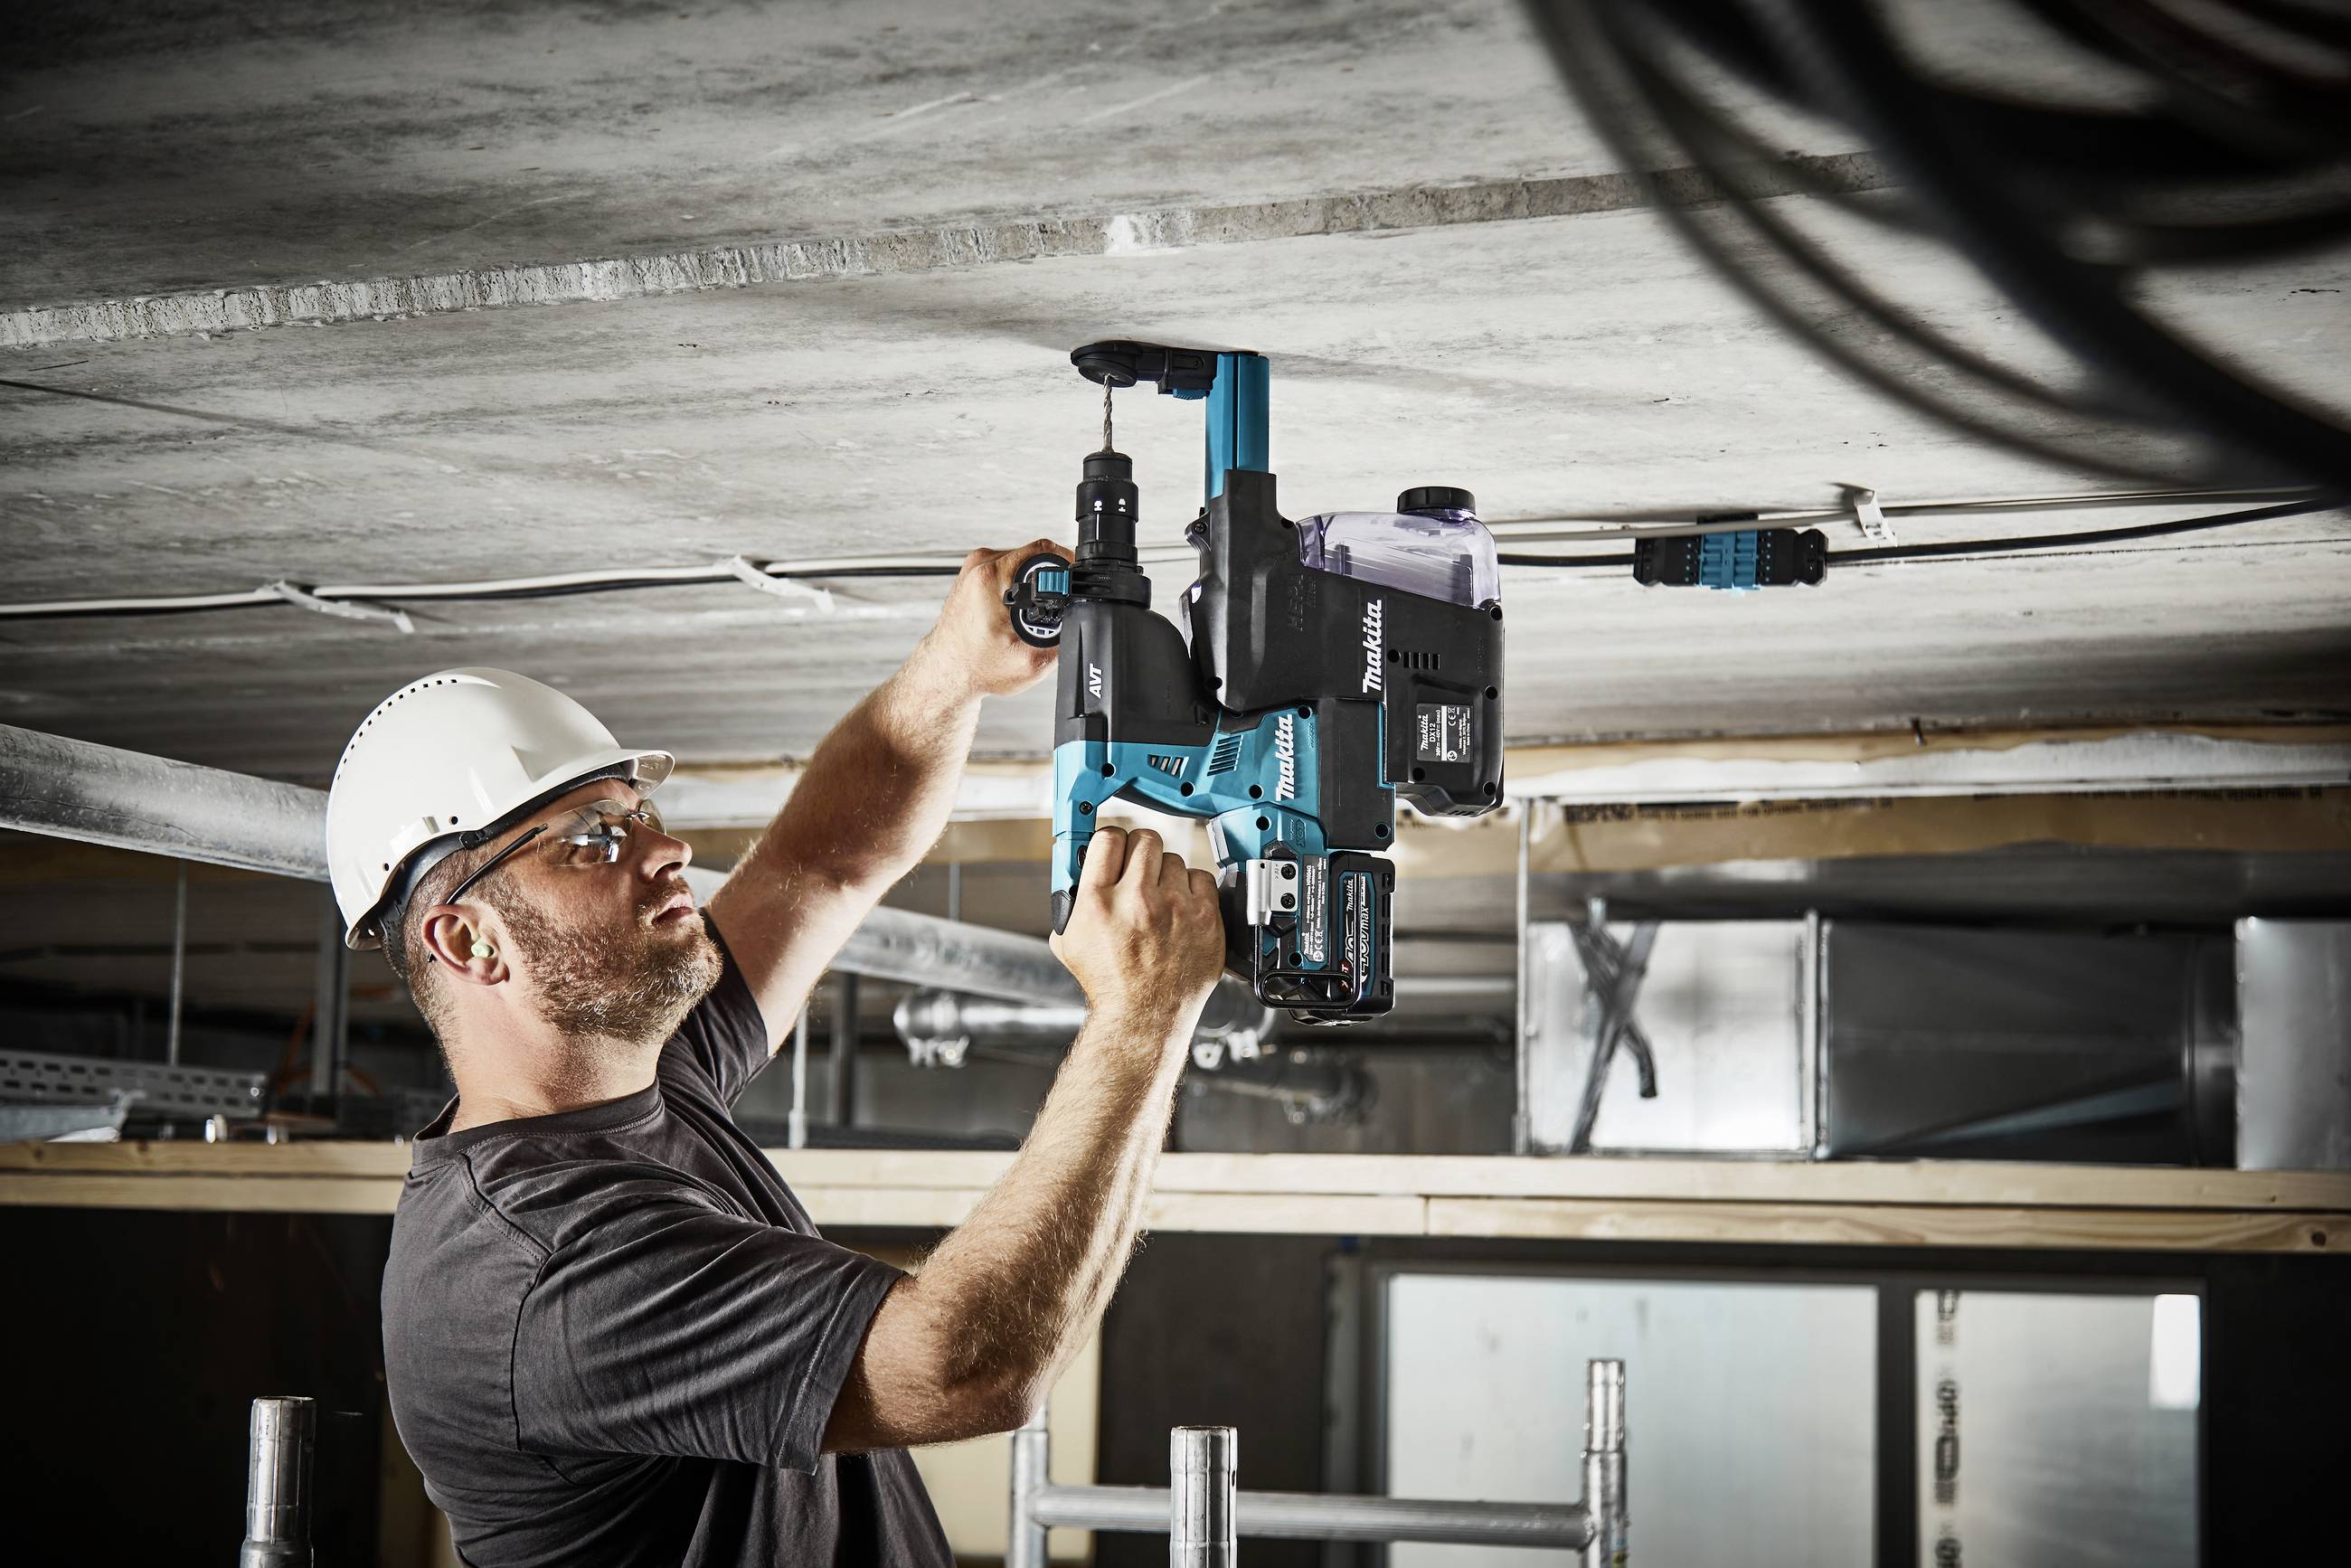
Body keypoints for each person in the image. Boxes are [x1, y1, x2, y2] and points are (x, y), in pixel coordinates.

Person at [325, 541, 1226, 1567]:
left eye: (639, 815)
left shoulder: (637, 1068)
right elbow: (969, 1364)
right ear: (467, 940)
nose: (664, 849)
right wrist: (1139, 1012)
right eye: (591, 838)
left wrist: (954, 665)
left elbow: (824, 860)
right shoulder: (538, 1275)